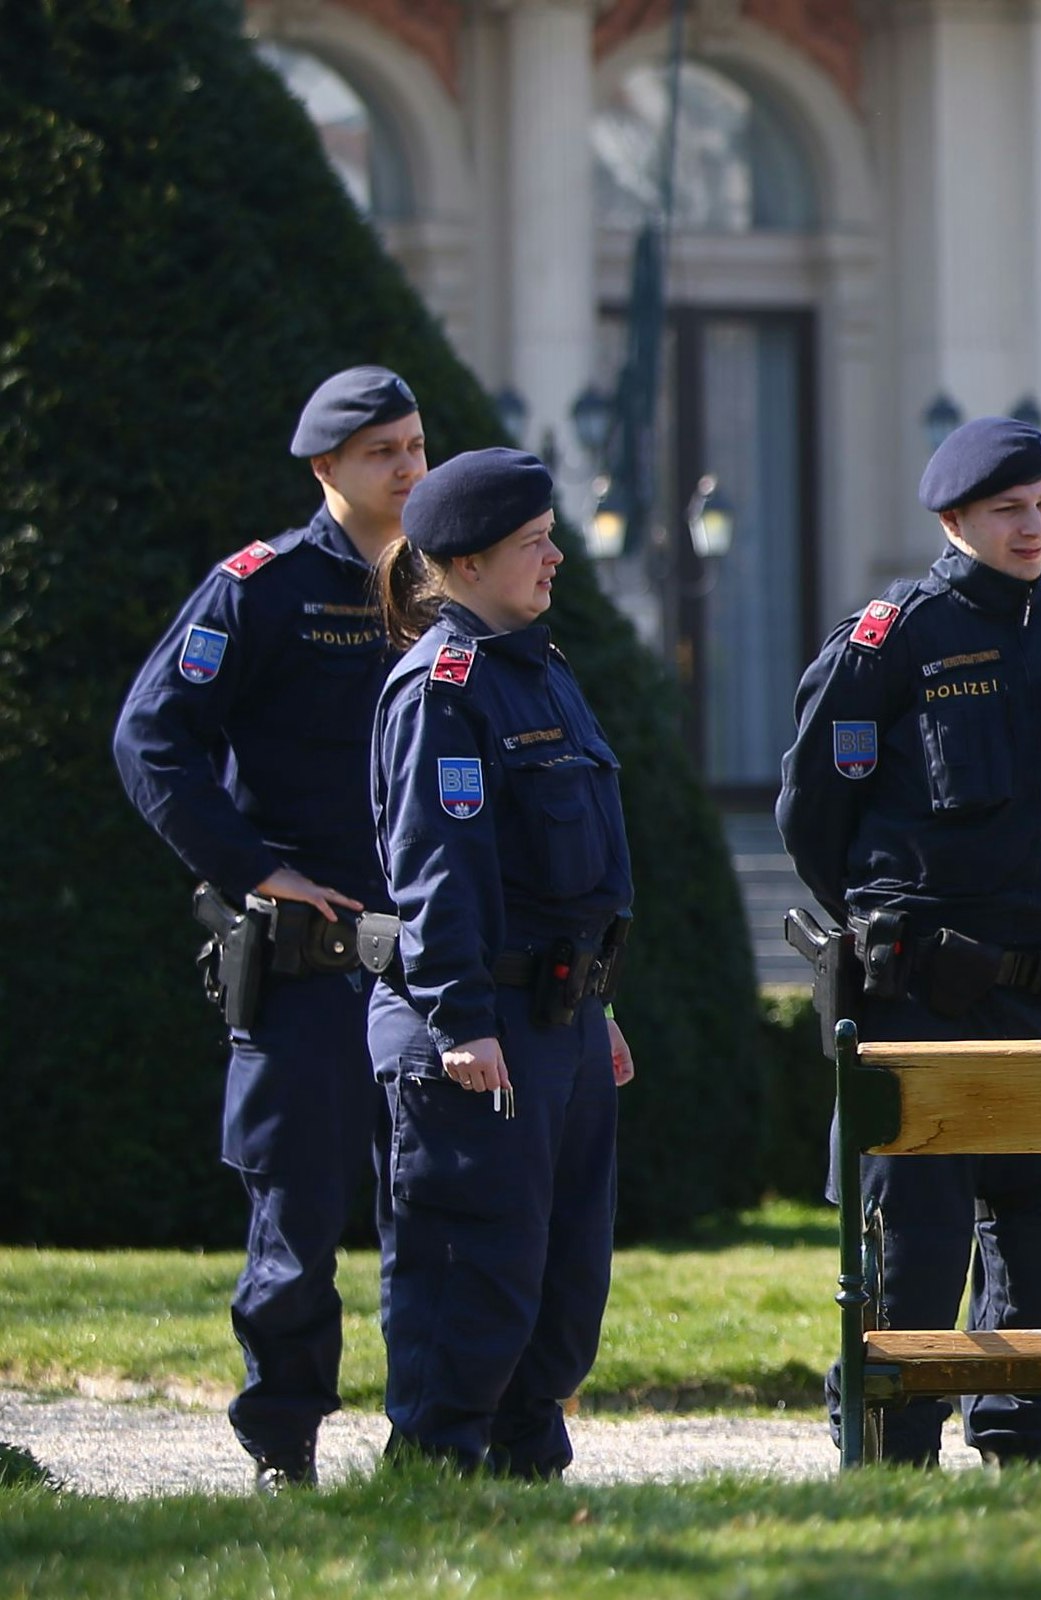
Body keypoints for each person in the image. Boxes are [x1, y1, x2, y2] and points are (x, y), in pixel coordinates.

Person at [778, 415, 1041, 1468]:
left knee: (1035, 1230)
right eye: (1005, 511)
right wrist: (891, 915)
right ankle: (894, 1435)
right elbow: (815, 812)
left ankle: (1024, 1430)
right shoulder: (896, 635)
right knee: (919, 1239)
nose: (1033, 527)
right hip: (920, 985)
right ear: (953, 519)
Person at [111, 366, 423, 1490]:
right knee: (297, 1222)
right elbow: (152, 742)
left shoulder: (452, 586)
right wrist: (258, 870)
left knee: (433, 1215)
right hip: (309, 968)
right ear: (325, 467)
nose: (408, 467)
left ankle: (429, 1448)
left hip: (430, 968)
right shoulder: (262, 588)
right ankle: (282, 1446)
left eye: (416, 445)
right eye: (383, 449)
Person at [362, 447, 636, 1477]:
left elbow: (576, 876)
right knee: (473, 1267)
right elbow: (439, 868)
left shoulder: (541, 670)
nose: (557, 556)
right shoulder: (444, 689)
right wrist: (462, 1017)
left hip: (559, 1019)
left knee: (563, 1279)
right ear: (466, 565)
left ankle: (528, 1473)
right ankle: (431, 1472)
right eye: (534, 544)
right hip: (482, 1025)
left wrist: (596, 1004)